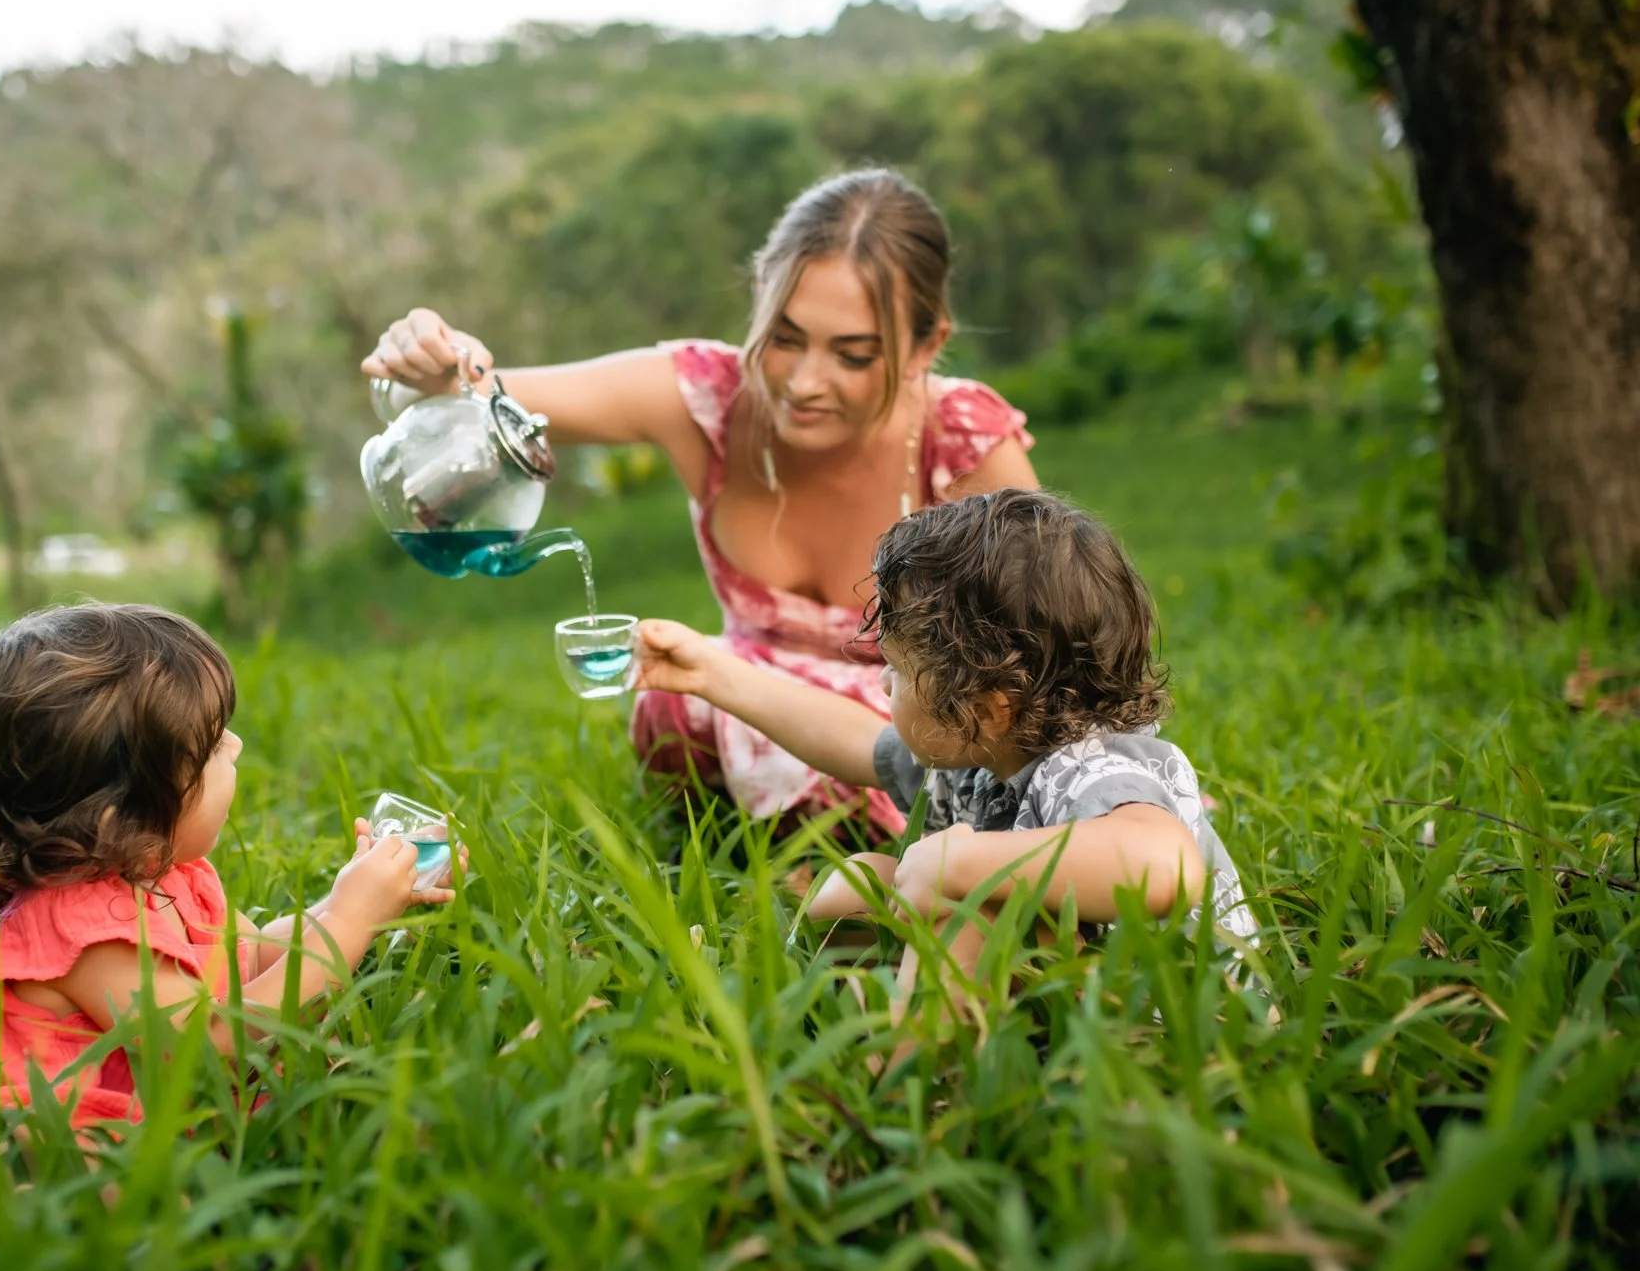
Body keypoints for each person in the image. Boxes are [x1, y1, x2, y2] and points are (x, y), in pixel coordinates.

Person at [362, 168, 1038, 837]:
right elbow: (470, 397)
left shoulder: (963, 442)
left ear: (927, 345)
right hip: (744, 707)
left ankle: (864, 860)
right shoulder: (706, 395)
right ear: (758, 300)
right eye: (784, 338)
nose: (804, 383)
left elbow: (1043, 666)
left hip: (915, 732)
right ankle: (780, 846)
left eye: (853, 356)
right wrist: (432, 369)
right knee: (672, 709)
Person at [630, 490, 1258, 1019]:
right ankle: (825, 1019)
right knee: (859, 882)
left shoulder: (1091, 769)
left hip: (1177, 1027)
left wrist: (967, 860)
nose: (881, 685)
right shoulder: (983, 754)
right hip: (1073, 1000)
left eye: (897, 671)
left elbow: (1166, 863)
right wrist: (711, 675)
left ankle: (910, 1098)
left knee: (970, 906)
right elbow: (850, 740)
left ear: (987, 706)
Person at [0, 603, 457, 1130]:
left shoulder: (169, 875)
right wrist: (349, 927)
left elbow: (253, 956)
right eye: (211, 745)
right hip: (73, 1128)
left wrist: (353, 900)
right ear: (121, 815)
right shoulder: (76, 929)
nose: (235, 746)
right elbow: (206, 1041)